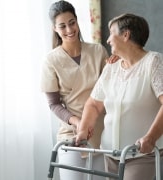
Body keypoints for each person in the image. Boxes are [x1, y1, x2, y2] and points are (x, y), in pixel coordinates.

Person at [75, 13, 163, 180]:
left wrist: (151, 138)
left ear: (125, 35)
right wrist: (83, 130)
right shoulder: (112, 67)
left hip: (141, 155)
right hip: (110, 154)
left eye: (111, 33)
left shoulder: (154, 62)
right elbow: (94, 104)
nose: (107, 40)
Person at [41, 1, 118, 180]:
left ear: (77, 21)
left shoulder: (98, 51)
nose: (69, 29)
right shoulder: (50, 60)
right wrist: (78, 122)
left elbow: (111, 88)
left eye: (72, 22)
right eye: (62, 26)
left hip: (100, 133)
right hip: (71, 134)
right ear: (54, 28)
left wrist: (117, 66)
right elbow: (53, 104)